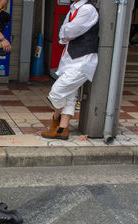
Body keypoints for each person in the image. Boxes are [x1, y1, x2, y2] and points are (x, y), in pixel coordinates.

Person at [41, 0, 99, 140]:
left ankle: (55, 119)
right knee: (69, 96)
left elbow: (70, 30)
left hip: (83, 61)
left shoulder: (87, 9)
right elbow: (62, 34)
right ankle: (62, 129)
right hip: (69, 60)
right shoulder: (74, 9)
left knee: (56, 93)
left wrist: (68, 32)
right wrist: (67, 33)